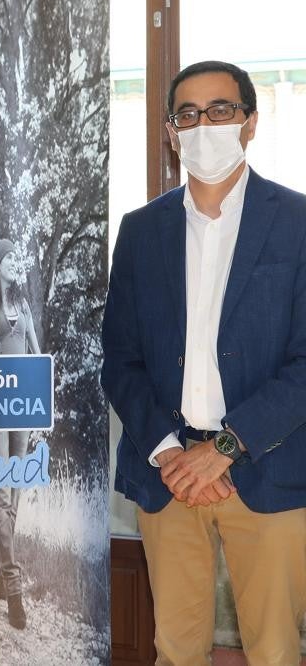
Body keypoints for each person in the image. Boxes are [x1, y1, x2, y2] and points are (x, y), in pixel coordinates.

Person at [103, 60, 306, 666]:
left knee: (276, 651)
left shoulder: (297, 223)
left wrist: (225, 448)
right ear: (172, 133)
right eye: (187, 115)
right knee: (176, 651)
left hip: (267, 467)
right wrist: (170, 452)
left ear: (250, 122)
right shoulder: (140, 231)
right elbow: (120, 360)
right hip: (168, 476)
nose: (203, 125)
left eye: (220, 110)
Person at [0, 238, 40, 629]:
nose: (16, 262)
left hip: (23, 405)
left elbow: (38, 355)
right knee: (2, 493)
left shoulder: (25, 306)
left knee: (14, 493)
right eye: (10, 257)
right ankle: (13, 585)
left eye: (18, 258)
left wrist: (40, 401)